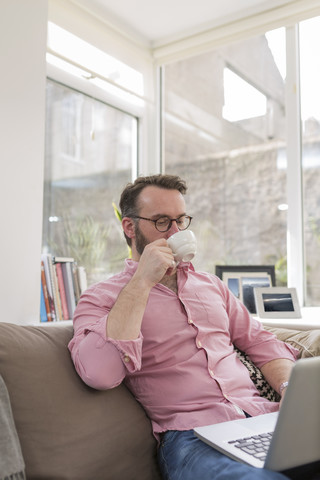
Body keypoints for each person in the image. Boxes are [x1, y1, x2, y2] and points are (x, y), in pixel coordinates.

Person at [69, 174, 301, 480]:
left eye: (181, 220)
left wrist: (288, 390)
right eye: (162, 221)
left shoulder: (211, 285)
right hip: (192, 438)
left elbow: (261, 342)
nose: (176, 231)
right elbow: (99, 373)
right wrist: (142, 281)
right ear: (129, 227)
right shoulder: (103, 298)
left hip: (261, 418)